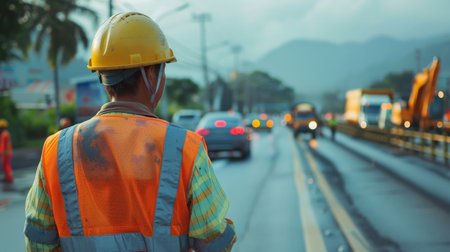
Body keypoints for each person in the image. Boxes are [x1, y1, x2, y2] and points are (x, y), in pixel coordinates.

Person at [24, 12, 236, 251]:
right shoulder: (185, 146)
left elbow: (38, 240)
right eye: (162, 70)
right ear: (152, 75)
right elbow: (214, 239)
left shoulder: (56, 149)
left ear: (103, 76)